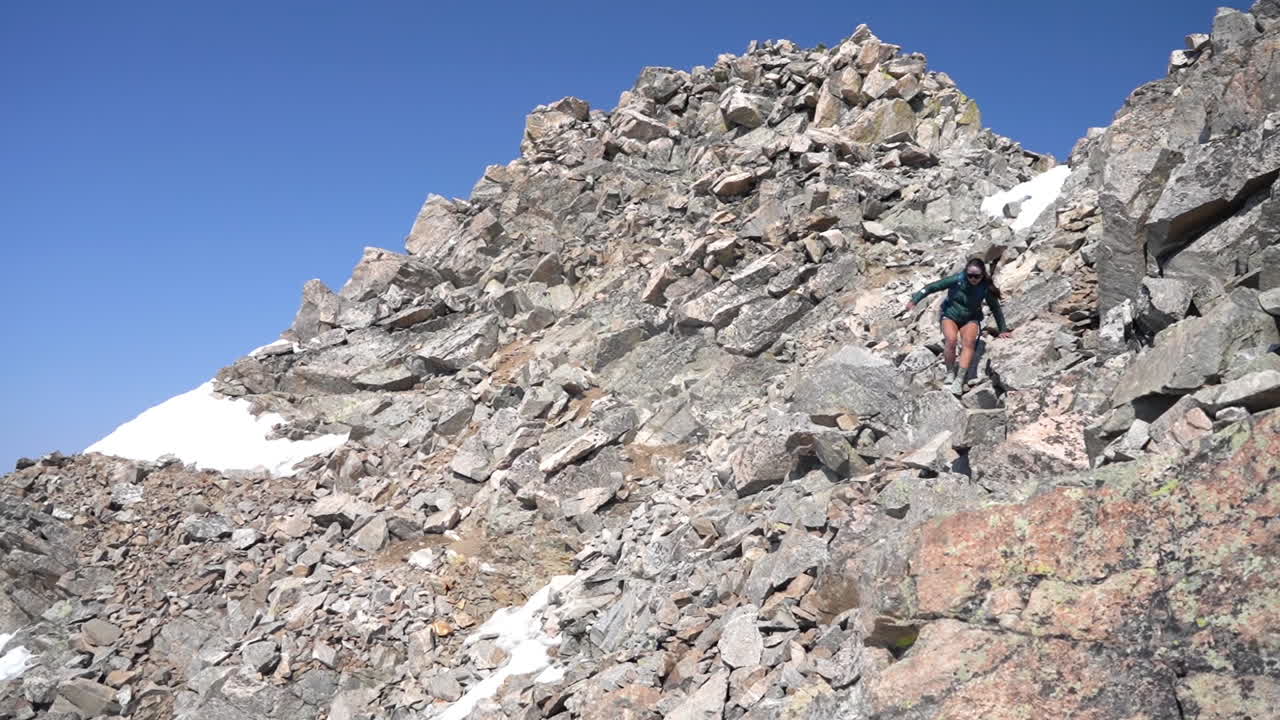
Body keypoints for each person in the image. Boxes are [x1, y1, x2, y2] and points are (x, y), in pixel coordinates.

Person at [906, 258, 1012, 395]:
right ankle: (950, 372)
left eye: (977, 276)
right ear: (966, 273)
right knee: (951, 340)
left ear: (982, 275)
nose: (973, 279)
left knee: (969, 343)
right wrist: (914, 300)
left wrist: (1002, 329)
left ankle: (959, 380)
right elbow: (931, 287)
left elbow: (996, 308)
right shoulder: (957, 280)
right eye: (970, 276)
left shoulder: (985, 287)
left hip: (971, 318)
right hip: (950, 315)